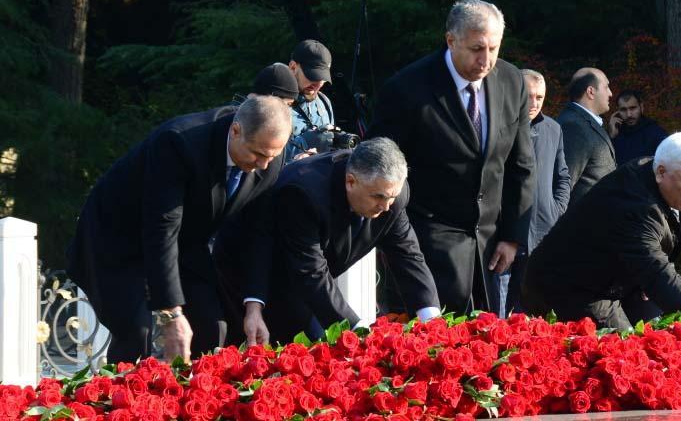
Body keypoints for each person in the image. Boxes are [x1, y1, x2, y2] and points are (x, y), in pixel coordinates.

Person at [66, 96, 292, 363]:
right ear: (235, 131)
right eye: (258, 154)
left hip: (185, 241)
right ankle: (125, 390)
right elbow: (162, 228)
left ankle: (196, 389)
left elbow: (257, 233)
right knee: (136, 331)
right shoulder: (179, 142)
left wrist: (254, 307)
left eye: (272, 156)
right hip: (118, 237)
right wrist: (172, 315)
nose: (264, 165)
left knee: (212, 326)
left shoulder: (269, 154)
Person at [367, 0, 535, 315]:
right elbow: (382, 168)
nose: (486, 60)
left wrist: (513, 236)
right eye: (476, 49)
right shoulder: (407, 88)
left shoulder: (512, 82)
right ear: (451, 40)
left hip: (490, 247)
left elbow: (521, 164)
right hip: (426, 243)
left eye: (494, 48)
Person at [213, 138, 440, 345]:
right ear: (350, 182)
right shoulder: (304, 193)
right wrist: (360, 334)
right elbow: (310, 272)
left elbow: (408, 255)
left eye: (392, 197)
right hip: (257, 272)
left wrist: (432, 322)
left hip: (307, 278)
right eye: (378, 197)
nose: (386, 206)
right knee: (303, 351)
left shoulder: (391, 193)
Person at [521, 132, 681, 330]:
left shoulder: (660, 175)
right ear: (661, 172)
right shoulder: (638, 205)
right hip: (568, 285)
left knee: (650, 336)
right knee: (624, 346)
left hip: (611, 282)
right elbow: (653, 265)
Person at [495, 69, 570, 317]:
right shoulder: (498, 126)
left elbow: (562, 175)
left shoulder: (553, 129)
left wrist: (556, 209)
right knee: (498, 311)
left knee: (532, 314)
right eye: (528, 96)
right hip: (503, 232)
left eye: (540, 97)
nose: (534, 103)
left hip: (541, 232)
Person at [557, 68, 616, 204]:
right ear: (590, 92)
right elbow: (562, 187)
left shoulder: (582, 122)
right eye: (606, 87)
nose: (611, 93)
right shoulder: (573, 126)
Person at [284, 40, 337, 160]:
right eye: (312, 76)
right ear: (293, 67)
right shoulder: (273, 105)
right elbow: (264, 156)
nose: (317, 85)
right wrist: (306, 141)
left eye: (322, 79)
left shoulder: (324, 102)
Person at [607, 89, 668, 164]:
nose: (629, 114)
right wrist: (611, 137)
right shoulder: (616, 133)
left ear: (641, 107)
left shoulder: (655, 133)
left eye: (633, 108)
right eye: (623, 110)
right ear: (618, 111)